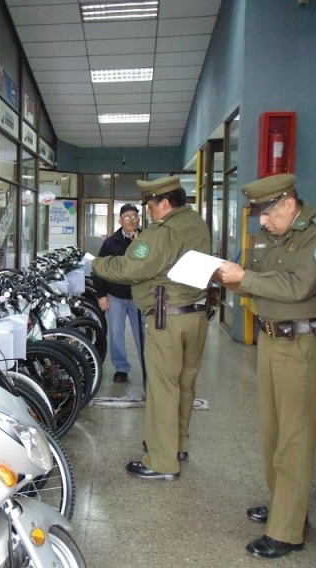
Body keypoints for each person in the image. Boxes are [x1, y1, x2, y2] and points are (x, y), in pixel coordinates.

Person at [215, 173, 316, 560]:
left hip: (303, 344)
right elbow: (255, 282)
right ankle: (285, 509)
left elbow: (296, 286)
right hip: (272, 340)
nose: (263, 222)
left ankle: (288, 531)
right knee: (273, 433)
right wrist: (226, 276)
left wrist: (246, 278)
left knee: (295, 436)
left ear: (290, 203)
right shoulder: (271, 237)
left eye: (269, 213)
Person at [91, 176, 210, 481]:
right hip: (195, 315)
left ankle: (161, 460)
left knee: (162, 388)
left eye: (149, 206)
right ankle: (178, 444)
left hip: (167, 318)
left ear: (165, 204)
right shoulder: (196, 223)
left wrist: (94, 263)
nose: (147, 213)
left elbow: (131, 267)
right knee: (184, 384)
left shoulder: (162, 231)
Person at [92, 203, 144, 383]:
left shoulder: (147, 239)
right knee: (116, 333)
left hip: (140, 295)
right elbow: (99, 269)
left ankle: (148, 366)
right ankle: (121, 368)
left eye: (135, 216)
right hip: (115, 294)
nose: (132, 220)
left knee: (144, 333)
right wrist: (101, 295)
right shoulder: (110, 243)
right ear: (120, 221)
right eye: (127, 217)